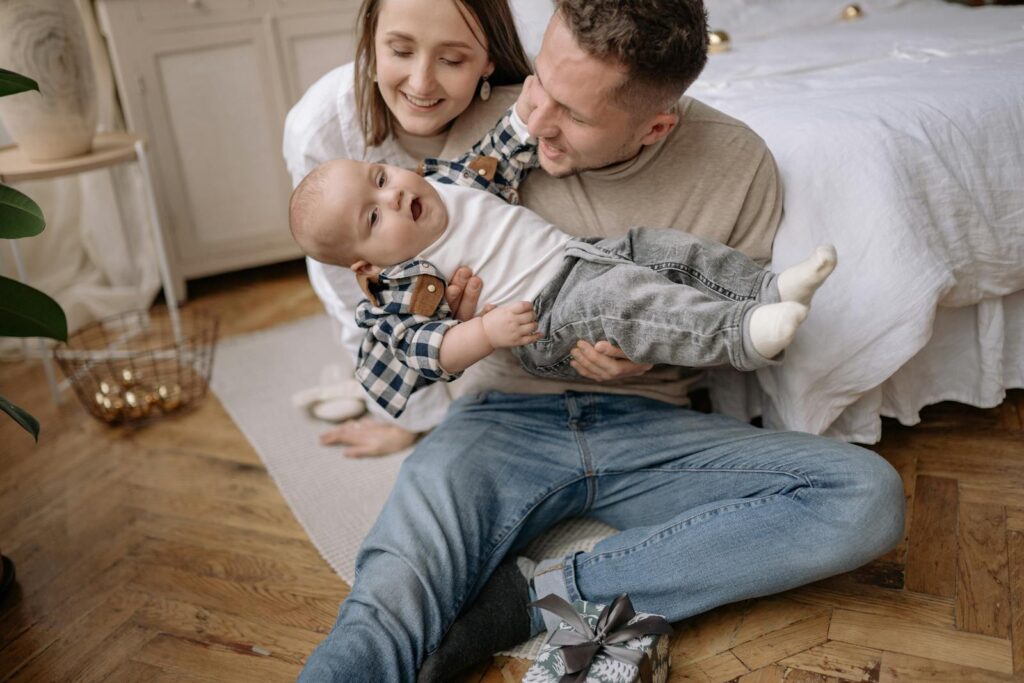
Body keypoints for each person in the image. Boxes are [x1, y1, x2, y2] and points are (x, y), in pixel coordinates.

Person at [292, 1, 905, 681]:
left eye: (575, 115)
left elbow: (750, 325)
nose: (537, 120)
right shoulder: (472, 126)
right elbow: (351, 195)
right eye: (542, 85)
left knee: (864, 496)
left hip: (651, 427)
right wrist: (456, 336)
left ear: (655, 126)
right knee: (392, 596)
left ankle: (536, 597)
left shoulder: (737, 166)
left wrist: (655, 350)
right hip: (500, 419)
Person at [289, 98, 838, 418]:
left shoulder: (445, 181)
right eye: (373, 218)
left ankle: (763, 290)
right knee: (623, 302)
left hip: (579, 257)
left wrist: (532, 114)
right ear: (366, 266)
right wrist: (484, 334)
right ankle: (744, 333)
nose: (391, 197)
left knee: (664, 248)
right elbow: (422, 350)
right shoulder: (403, 282)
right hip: (547, 317)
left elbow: (497, 155)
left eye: (381, 179)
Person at [283, 0, 536, 456]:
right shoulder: (320, 130)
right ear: (370, 45)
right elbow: (349, 291)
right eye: (400, 51)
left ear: (488, 60)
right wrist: (412, 419)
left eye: (452, 59)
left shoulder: (517, 114)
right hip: (441, 331)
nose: (421, 83)